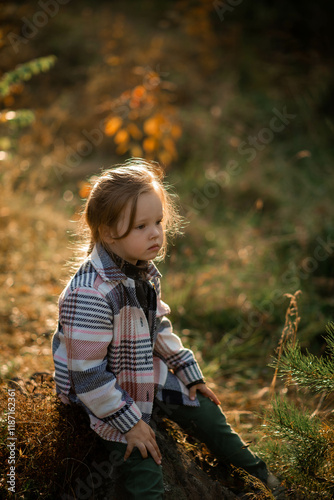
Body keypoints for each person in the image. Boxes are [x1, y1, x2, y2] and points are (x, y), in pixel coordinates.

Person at [52, 158, 280, 499]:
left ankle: (264, 478)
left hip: (144, 374)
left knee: (208, 415)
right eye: (140, 226)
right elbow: (89, 378)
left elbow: (156, 326)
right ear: (107, 231)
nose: (156, 232)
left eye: (157, 221)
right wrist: (131, 423)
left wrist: (188, 371)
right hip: (102, 400)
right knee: (144, 465)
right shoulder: (89, 295)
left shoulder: (141, 270)